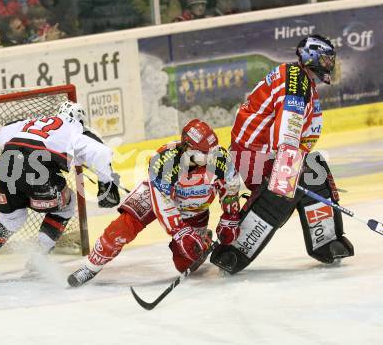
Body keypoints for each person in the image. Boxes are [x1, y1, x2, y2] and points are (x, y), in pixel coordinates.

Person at [210, 35, 355, 275]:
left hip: (260, 152)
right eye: (327, 59)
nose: (331, 64)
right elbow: (287, 136)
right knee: (282, 190)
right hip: (255, 154)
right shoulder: (296, 84)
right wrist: (288, 170)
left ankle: (325, 241)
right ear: (312, 58)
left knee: (312, 172)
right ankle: (233, 250)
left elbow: (302, 137)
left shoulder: (302, 81)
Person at [67, 119, 241, 287]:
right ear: (188, 149)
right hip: (155, 198)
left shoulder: (220, 158)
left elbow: (230, 188)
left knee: (185, 263)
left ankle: (203, 239)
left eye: (212, 150)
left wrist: (230, 216)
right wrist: (180, 233)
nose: (211, 156)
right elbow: (163, 204)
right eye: (204, 153)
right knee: (122, 228)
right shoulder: (164, 160)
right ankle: (90, 267)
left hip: (195, 209)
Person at [0, 100, 121, 280]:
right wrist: (107, 186)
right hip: (37, 171)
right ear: (79, 119)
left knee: (10, 219)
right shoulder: (75, 127)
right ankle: (37, 260)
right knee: (66, 205)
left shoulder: (32, 122)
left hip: (6, 166)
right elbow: (101, 153)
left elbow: (2, 134)